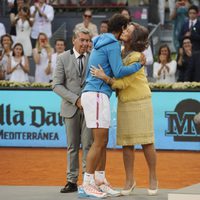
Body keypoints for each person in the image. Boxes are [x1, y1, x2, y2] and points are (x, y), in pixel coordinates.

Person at [79, 14, 145, 198]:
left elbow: (112, 70)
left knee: (103, 141)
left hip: (98, 94)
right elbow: (118, 71)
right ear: (122, 28)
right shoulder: (113, 44)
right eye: (126, 28)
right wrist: (138, 66)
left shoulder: (102, 40)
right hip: (98, 94)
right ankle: (87, 184)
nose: (127, 31)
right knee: (99, 142)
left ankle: (100, 180)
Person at [90, 22, 158, 196]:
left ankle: (153, 177)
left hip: (140, 102)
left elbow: (124, 83)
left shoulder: (137, 56)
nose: (124, 31)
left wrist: (105, 78)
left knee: (146, 142)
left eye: (128, 30)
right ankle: (129, 181)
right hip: (125, 103)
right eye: (125, 29)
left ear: (134, 37)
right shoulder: (118, 52)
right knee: (127, 144)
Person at [52, 28, 93, 193]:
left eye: (87, 40)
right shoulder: (62, 58)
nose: (85, 43)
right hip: (71, 108)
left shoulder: (93, 57)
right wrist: (75, 100)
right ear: (74, 40)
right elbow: (56, 85)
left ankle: (87, 180)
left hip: (90, 109)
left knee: (89, 145)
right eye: (82, 40)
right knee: (72, 146)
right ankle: (72, 181)